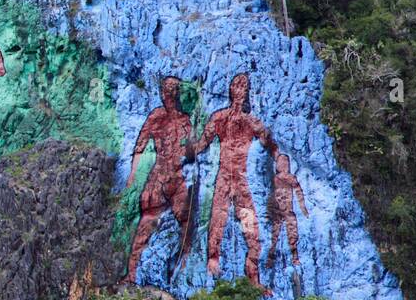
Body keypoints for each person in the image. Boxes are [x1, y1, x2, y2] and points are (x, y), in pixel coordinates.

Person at [189, 73, 276, 288]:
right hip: (224, 180)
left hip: (241, 184)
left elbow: (269, 144)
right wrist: (189, 146)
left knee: (251, 229)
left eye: (244, 85)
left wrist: (267, 136)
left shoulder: (251, 122)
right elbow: (201, 145)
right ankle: (213, 258)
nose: (240, 88)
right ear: (229, 89)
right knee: (218, 219)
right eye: (236, 84)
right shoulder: (219, 118)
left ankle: (253, 275)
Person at [125, 76, 193, 281]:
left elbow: (191, 151)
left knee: (185, 223)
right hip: (162, 175)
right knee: (148, 221)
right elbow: (139, 147)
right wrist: (133, 176)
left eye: (173, 90)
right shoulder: (157, 116)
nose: (169, 95)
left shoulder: (185, 121)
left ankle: (182, 272)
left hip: (177, 177)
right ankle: (132, 272)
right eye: (167, 90)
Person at [267, 152, 309, 267]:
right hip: (278, 211)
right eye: (281, 162)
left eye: (285, 162)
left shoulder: (290, 178)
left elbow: (299, 192)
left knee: (292, 234)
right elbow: (270, 195)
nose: (284, 165)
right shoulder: (275, 179)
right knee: (275, 234)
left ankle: (295, 257)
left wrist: (303, 208)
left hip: (287, 211)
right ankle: (270, 257)